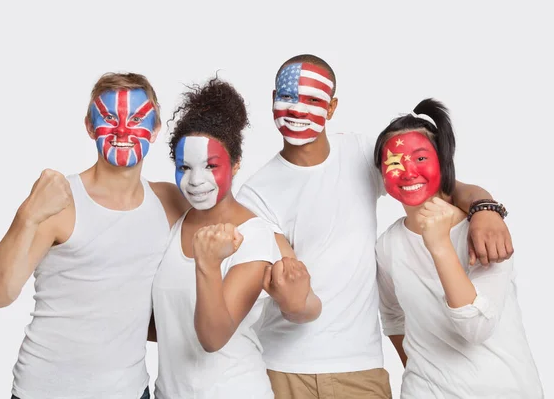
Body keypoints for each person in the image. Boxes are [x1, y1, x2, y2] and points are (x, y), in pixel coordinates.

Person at [236, 54, 515, 398]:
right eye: (288, 97)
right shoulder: (254, 193)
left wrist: (484, 208)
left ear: (332, 106)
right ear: (273, 98)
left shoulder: (360, 153)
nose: (297, 110)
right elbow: (289, 292)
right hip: (281, 368)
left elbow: (431, 181)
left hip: (358, 369)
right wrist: (294, 301)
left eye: (312, 99)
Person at [0, 72, 188, 399]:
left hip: (131, 391)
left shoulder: (170, 203)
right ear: (90, 127)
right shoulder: (60, 201)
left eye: (136, 119)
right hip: (44, 390)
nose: (122, 130)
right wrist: (28, 215)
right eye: (108, 118)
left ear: (156, 129)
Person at [150, 77, 321, 399]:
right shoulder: (174, 219)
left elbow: (213, 338)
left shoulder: (254, 236)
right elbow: (167, 323)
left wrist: (208, 265)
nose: (196, 180)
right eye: (184, 167)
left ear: (236, 163)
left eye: (211, 166)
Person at [374, 98, 543, 398]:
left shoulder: (483, 230)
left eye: (421, 158)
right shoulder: (388, 245)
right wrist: (423, 374)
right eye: (395, 161)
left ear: (442, 162)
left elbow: (475, 328)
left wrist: (439, 245)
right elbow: (392, 315)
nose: (409, 170)